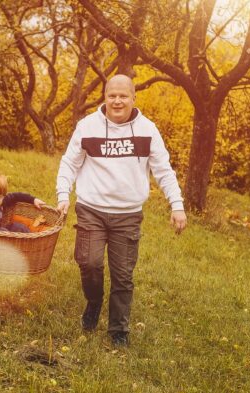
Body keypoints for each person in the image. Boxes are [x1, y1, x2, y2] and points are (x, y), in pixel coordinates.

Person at [56, 74, 187, 346]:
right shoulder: (87, 126)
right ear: (105, 97)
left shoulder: (148, 130)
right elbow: (69, 163)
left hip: (127, 215)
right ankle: (93, 303)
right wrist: (63, 194)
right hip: (91, 209)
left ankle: (118, 331)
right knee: (89, 263)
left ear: (133, 98)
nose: (117, 101)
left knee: (123, 275)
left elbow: (164, 170)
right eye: (112, 95)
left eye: (123, 95)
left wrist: (177, 205)